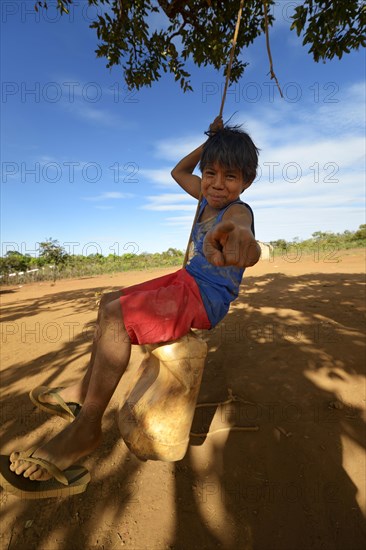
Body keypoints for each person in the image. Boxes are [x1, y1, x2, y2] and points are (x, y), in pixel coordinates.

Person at [2, 116, 261, 493]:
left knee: (116, 318)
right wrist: (212, 141)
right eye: (211, 173)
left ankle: (86, 428)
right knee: (108, 302)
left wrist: (241, 243)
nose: (218, 184)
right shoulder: (203, 198)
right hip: (184, 280)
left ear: (246, 183)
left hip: (203, 298)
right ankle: (80, 394)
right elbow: (178, 171)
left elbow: (244, 234)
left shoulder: (237, 211)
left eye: (231, 177)